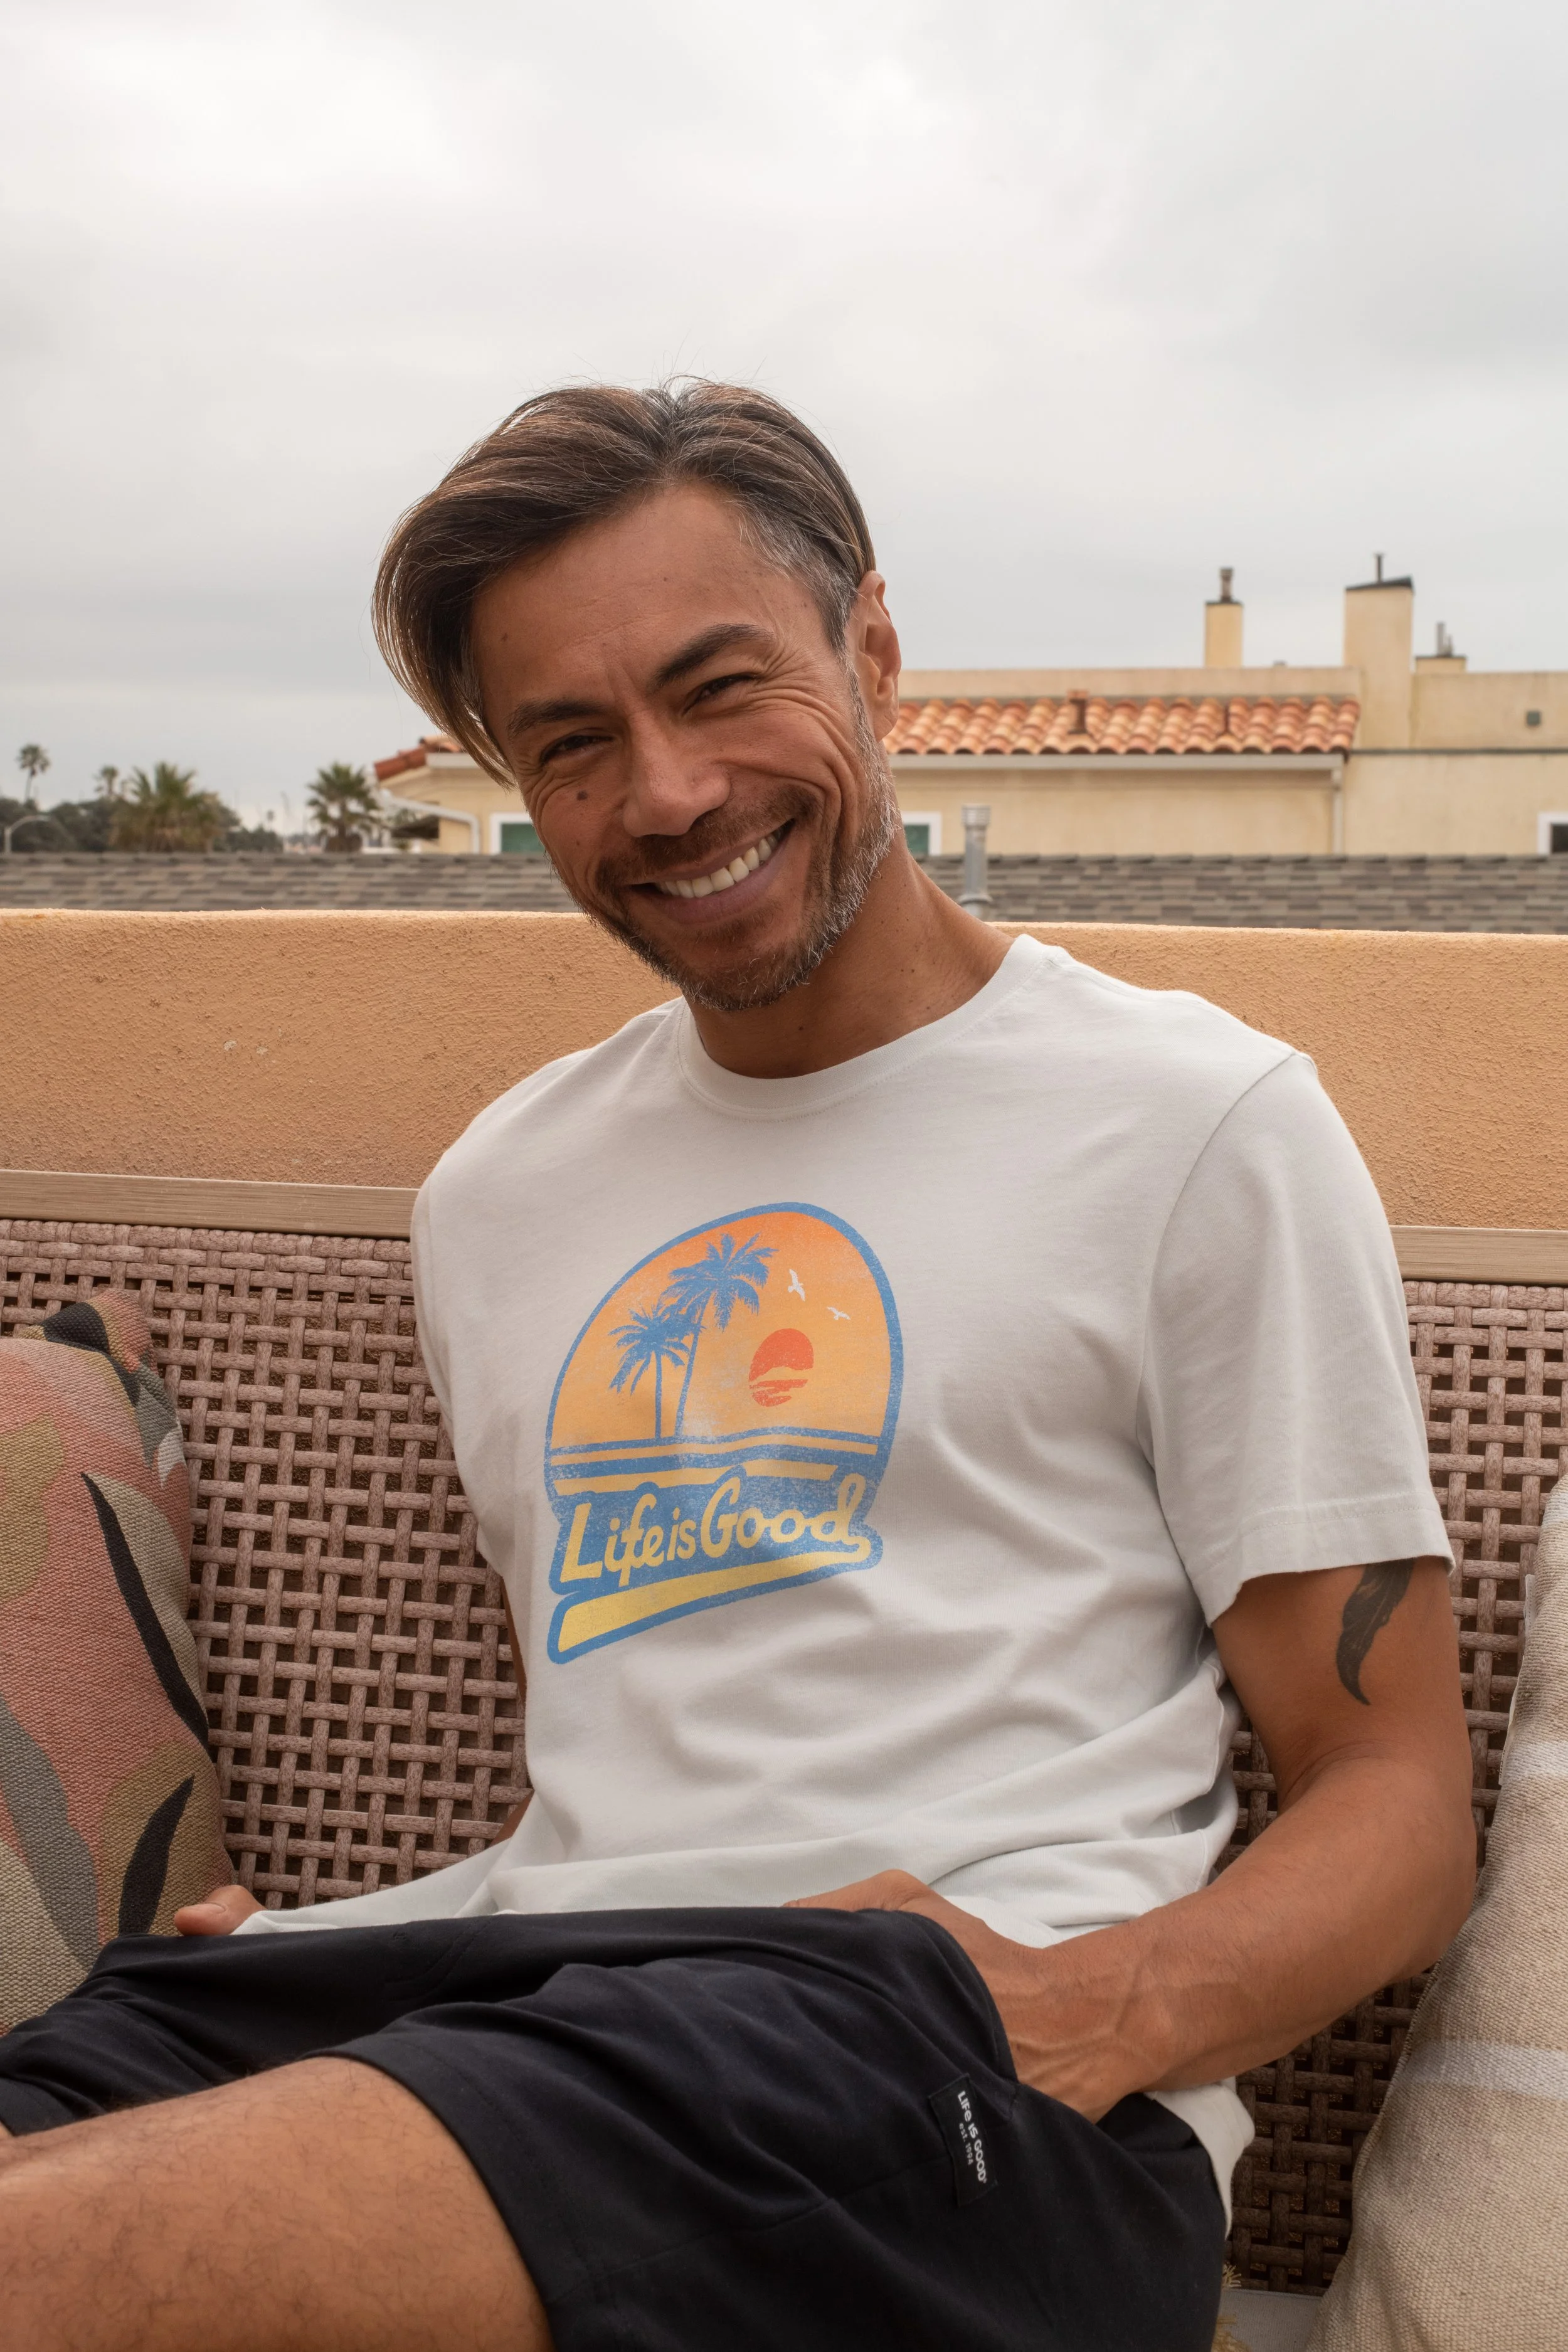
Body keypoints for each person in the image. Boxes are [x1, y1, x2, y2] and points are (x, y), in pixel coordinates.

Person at [0, 383, 1474, 2352]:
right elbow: (687, 1743)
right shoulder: (502, 1193)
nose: (669, 792)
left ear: (870, 647)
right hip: (546, 2005)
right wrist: (359, 1937)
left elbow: (1392, 1791)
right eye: (574, 744)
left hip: (946, 2065)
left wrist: (1089, 2006)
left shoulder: (1193, 1123)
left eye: (719, 687)